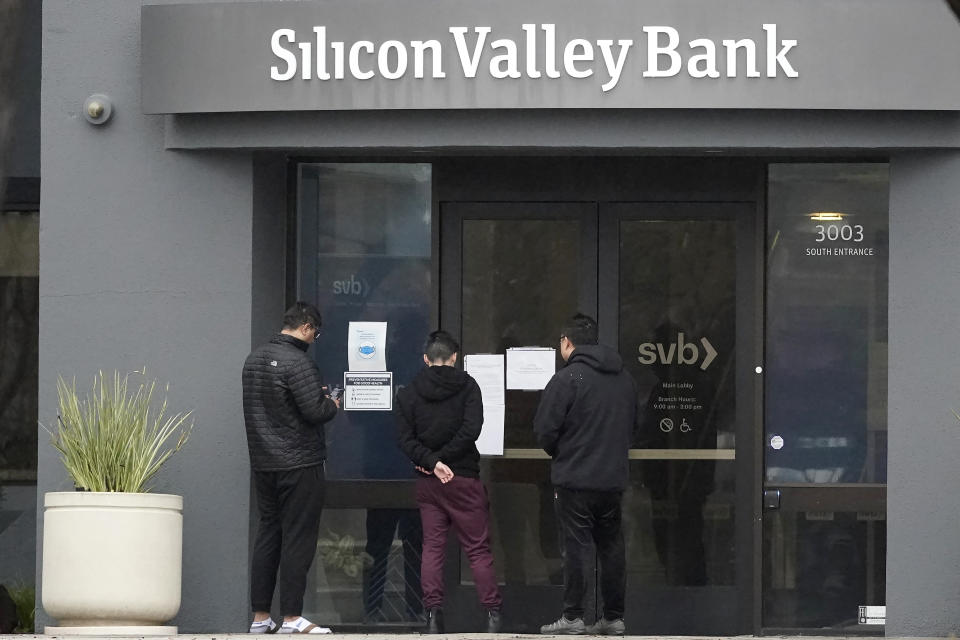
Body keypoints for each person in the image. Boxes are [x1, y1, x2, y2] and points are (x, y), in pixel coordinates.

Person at [533, 313, 636, 636]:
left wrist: (562, 454)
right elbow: (635, 426)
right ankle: (613, 617)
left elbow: (544, 430)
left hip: (574, 479)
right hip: (612, 479)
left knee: (576, 548)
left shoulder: (567, 379)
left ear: (566, 342)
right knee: (612, 548)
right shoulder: (625, 380)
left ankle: (573, 616)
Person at [395, 330, 503, 634]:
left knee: (432, 548)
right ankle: (493, 616)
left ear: (426, 359)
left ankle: (432, 617)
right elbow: (472, 429)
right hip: (464, 479)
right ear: (454, 357)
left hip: (429, 482)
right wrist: (445, 460)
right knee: (478, 549)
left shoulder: (409, 392)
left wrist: (433, 463)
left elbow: (404, 439)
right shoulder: (469, 387)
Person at [242, 302, 340, 634]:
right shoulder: (299, 363)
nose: (315, 339)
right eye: (316, 333)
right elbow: (315, 411)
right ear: (307, 327)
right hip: (300, 462)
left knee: (268, 533)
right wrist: (333, 404)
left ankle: (259, 618)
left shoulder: (253, 360)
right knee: (298, 538)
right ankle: (291, 617)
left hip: (264, 463)